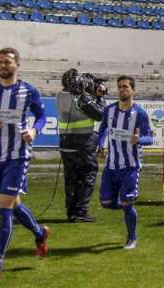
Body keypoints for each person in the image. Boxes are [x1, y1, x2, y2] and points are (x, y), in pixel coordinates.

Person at [0, 48, 49, 282]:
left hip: (19, 155)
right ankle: (40, 233)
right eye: (0, 62)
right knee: (13, 204)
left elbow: (42, 115)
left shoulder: (28, 91)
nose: (3, 65)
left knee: (4, 206)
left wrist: (34, 130)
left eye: (7, 62)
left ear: (17, 65)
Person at [97, 75, 153, 250]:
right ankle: (126, 207)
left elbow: (149, 138)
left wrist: (139, 140)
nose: (122, 89)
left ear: (133, 91)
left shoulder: (140, 114)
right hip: (111, 165)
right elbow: (103, 128)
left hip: (130, 166)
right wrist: (100, 145)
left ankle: (132, 238)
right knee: (105, 203)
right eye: (120, 86)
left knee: (127, 203)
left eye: (125, 87)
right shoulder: (110, 110)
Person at [56, 69, 106, 222]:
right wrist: (100, 97)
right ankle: (81, 210)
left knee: (71, 177)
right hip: (83, 141)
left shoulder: (60, 95)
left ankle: (71, 211)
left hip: (65, 141)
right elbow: (99, 114)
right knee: (87, 174)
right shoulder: (82, 97)